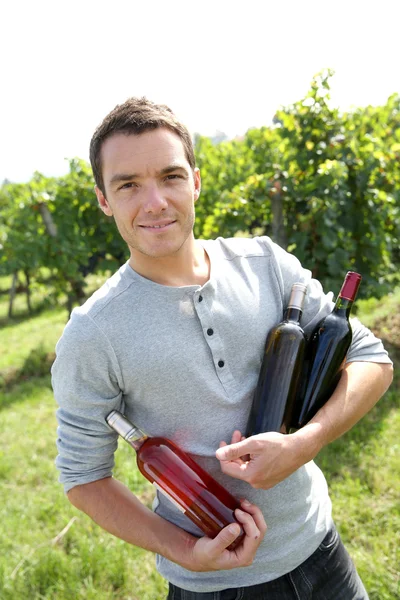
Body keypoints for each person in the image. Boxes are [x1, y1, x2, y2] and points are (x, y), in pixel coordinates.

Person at [52, 97, 393, 600]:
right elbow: (84, 479)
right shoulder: (92, 333)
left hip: (320, 550)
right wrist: (185, 552)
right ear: (103, 199)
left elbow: (370, 358)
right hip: (214, 586)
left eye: (170, 176)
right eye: (128, 185)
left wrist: (307, 442)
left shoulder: (266, 264)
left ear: (195, 180)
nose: (155, 202)